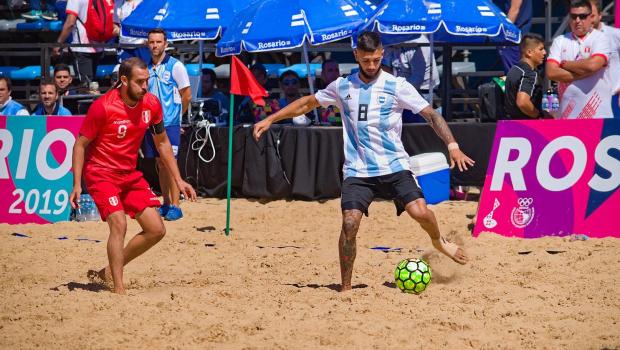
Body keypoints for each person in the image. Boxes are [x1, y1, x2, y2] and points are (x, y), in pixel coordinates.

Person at [253, 31, 473, 292]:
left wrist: (453, 146)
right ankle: (345, 288)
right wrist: (269, 119)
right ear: (356, 55)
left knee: (420, 212)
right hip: (358, 169)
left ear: (382, 55)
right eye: (366, 60)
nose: (371, 66)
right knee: (349, 223)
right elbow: (306, 104)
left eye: (376, 60)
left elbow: (432, 116)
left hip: (394, 165)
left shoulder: (397, 86)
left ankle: (439, 242)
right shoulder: (342, 86)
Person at [70, 57, 197, 295]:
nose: (146, 86)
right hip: (101, 173)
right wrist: (77, 183)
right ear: (124, 80)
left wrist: (179, 181)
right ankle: (118, 288)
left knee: (157, 229)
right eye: (140, 82)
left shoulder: (151, 104)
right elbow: (80, 145)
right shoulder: (103, 106)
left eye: (147, 80)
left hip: (129, 174)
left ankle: (108, 270)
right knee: (119, 223)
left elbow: (162, 143)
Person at [144, 28, 192, 221]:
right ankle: (165, 202)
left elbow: (186, 95)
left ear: (165, 44)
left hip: (170, 122)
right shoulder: (146, 68)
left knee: (170, 163)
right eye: (152, 42)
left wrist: (178, 117)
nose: (155, 45)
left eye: (158, 42)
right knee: (160, 164)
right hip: (151, 123)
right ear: (148, 44)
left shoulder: (175, 66)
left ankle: (175, 205)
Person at [546, 0, 613, 119]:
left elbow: (592, 65)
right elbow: (551, 72)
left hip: (598, 114)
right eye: (573, 16)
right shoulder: (560, 40)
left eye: (582, 16)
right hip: (568, 116)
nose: (577, 21)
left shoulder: (601, 38)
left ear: (591, 17)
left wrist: (565, 64)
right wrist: (584, 73)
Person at [52, 0, 104, 85]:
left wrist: (58, 43)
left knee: (86, 85)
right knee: (91, 84)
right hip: (99, 46)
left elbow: (70, 23)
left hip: (82, 47)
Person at [505, 33, 549, 119]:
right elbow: (522, 102)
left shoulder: (513, 69)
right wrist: (538, 115)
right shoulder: (529, 73)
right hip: (527, 126)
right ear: (529, 52)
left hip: (510, 124)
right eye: (541, 49)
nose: (544, 53)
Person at [589, 0, 620, 117]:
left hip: (614, 99)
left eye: (592, 16)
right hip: (588, 100)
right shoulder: (577, 39)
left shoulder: (614, 34)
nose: (589, 20)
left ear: (600, 15)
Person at [494, 0, 533, 73]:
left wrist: (504, 33)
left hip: (514, 36)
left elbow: (514, 10)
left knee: (516, 73)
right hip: (515, 35)